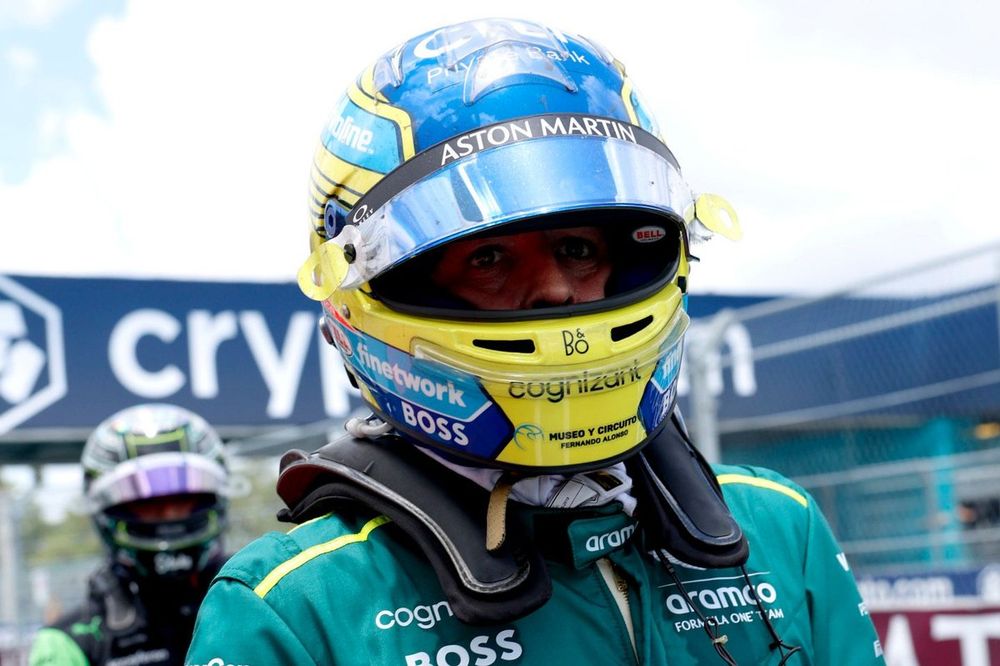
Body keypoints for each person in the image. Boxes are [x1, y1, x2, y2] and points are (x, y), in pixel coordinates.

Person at [187, 18, 884, 665]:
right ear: (368, 290)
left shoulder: (777, 528)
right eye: (487, 258)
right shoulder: (296, 609)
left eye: (579, 247)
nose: (554, 290)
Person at [29, 404, 230, 666]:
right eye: (149, 505)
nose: (170, 516)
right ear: (108, 510)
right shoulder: (67, 644)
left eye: (183, 500)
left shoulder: (263, 597)